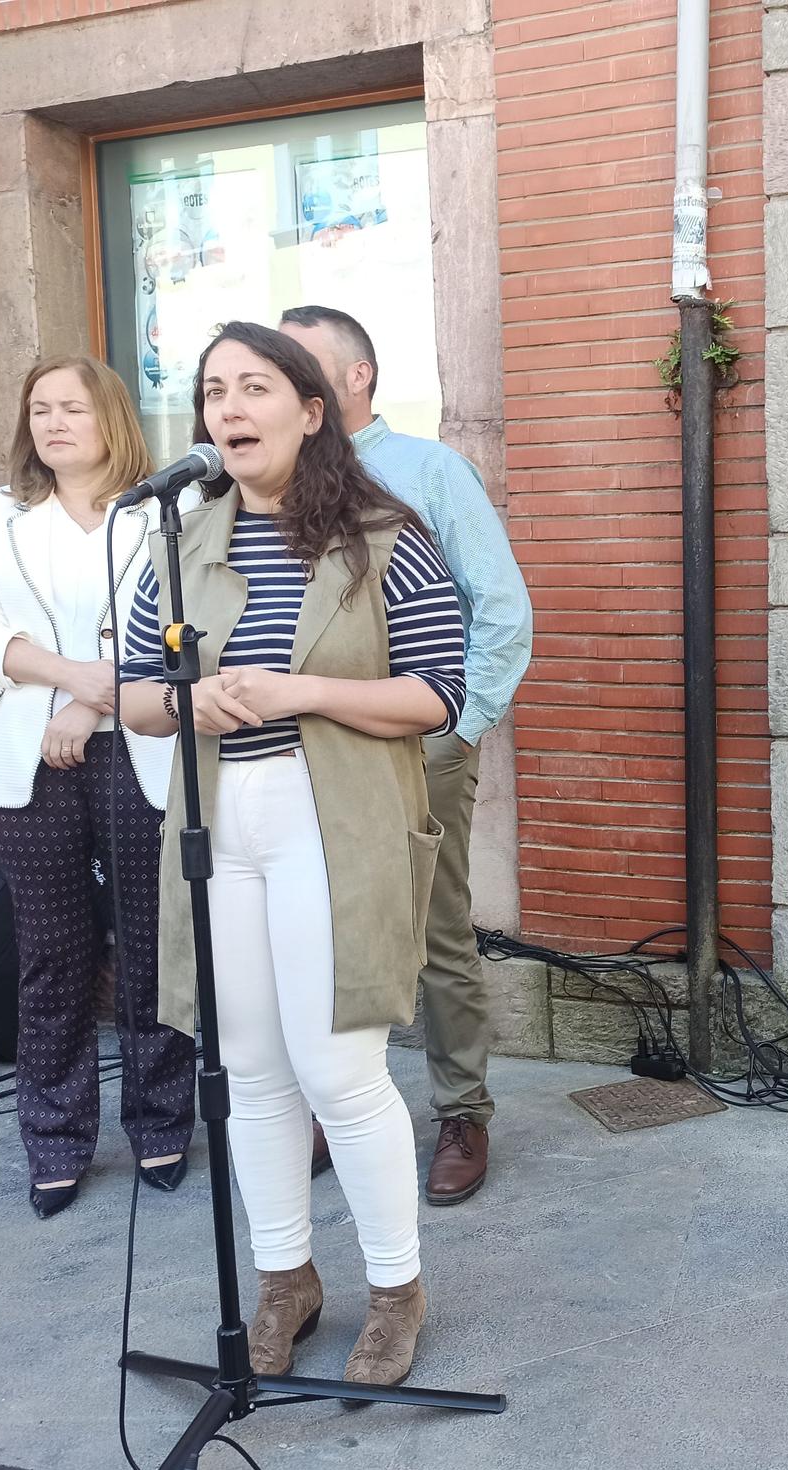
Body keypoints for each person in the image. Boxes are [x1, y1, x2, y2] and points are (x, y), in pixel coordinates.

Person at [119, 321, 466, 1387]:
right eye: (214, 390)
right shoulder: (181, 541)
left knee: (337, 1065)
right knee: (252, 1068)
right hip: (223, 817)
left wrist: (302, 691)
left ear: (310, 409)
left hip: (339, 816)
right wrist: (189, 703)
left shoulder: (380, 532)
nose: (229, 407)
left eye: (254, 386)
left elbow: (437, 693)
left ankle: (397, 1288)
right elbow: (132, 691)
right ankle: (285, 1278)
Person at [279, 304, 532, 1206]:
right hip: (298, 750)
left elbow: (500, 608)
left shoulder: (429, 472)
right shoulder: (265, 484)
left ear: (357, 378)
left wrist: (461, 726)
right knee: (317, 924)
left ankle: (462, 1110)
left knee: (436, 931)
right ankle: (334, 1102)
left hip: (419, 739)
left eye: (297, 363)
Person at [0, 355, 197, 1220]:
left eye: (74, 408)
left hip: (143, 750)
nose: (54, 423)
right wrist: (74, 684)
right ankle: (54, 1138)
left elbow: (184, 632)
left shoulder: (173, 509)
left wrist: (86, 713)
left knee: (148, 948)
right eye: (40, 409)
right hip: (27, 762)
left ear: (112, 419)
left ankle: (162, 1122)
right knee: (52, 957)